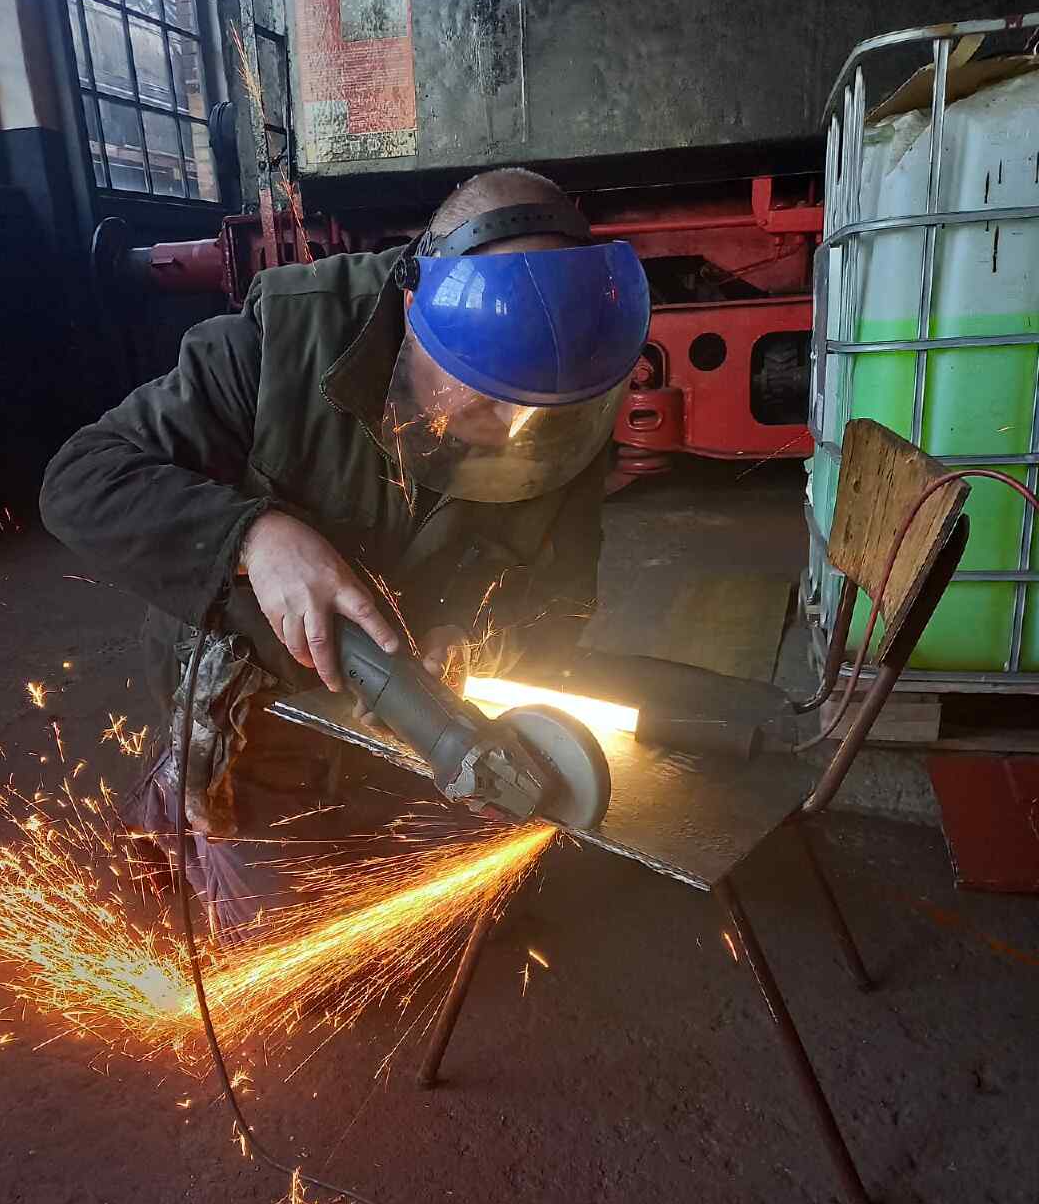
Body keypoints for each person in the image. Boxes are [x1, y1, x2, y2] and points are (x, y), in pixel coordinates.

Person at [40, 166, 650, 931]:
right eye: (486, 397)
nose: (514, 431)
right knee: (279, 936)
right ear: (416, 310)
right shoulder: (287, 337)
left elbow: (562, 597)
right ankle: (178, 787)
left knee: (449, 911)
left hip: (404, 719)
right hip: (257, 699)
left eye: (535, 412)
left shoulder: (563, 402)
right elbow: (80, 480)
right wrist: (254, 537)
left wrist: (478, 636)